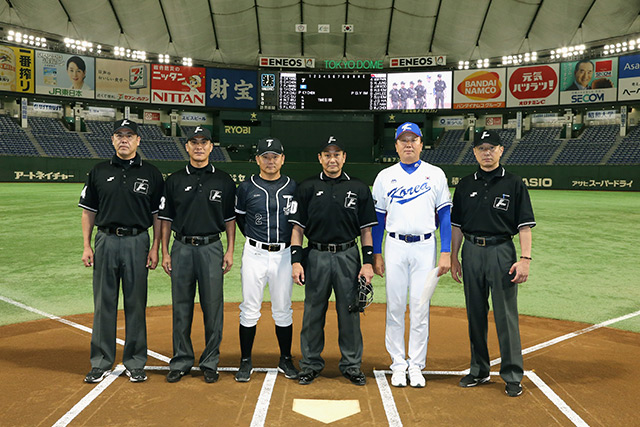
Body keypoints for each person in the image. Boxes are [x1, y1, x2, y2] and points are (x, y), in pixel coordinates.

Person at [450, 129, 536, 398]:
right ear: (474, 152)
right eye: (481, 148)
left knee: (505, 315)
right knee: (475, 313)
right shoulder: (465, 185)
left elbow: (524, 226)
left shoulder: (514, 183)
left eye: (492, 148)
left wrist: (525, 259)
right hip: (472, 251)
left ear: (501, 150)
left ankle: (511, 374)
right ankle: (479, 369)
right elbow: (456, 226)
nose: (486, 153)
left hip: (501, 251)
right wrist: (454, 256)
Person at [79, 119, 164, 384]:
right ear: (113, 140)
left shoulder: (151, 173)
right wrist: (86, 245)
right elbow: (88, 211)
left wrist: (155, 248)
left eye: (129, 135)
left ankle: (135, 361)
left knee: (135, 303)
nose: (124, 139)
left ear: (138, 141)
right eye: (119, 135)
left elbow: (158, 215)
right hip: (105, 240)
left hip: (138, 241)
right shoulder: (98, 171)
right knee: (103, 303)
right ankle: (101, 361)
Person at [290, 136, 377, 386]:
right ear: (320, 158)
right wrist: (296, 260)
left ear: (344, 157)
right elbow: (297, 229)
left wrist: (368, 261)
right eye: (327, 155)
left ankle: (351, 365)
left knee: (349, 311)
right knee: (312, 311)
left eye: (336, 154)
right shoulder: (306, 187)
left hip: (348, 254)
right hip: (315, 254)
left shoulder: (359, 188)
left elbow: (366, 231)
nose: (332, 159)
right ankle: (310, 364)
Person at [372, 122, 452, 388]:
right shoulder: (385, 176)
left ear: (421, 144)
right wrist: (377, 253)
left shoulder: (435, 174)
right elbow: (379, 220)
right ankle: (397, 363)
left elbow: (445, 215)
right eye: (403, 140)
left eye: (413, 139)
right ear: (396, 145)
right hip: (394, 246)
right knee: (395, 306)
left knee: (420, 307)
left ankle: (416, 365)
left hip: (425, 246)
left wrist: (445, 251)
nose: (408, 144)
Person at [159, 126, 236, 384]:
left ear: (211, 147)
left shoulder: (224, 180)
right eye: (194, 142)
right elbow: (166, 219)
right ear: (187, 147)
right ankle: (181, 360)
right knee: (181, 307)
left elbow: (230, 219)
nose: (199, 146)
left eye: (204, 142)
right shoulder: (175, 180)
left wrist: (230, 250)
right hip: (181, 247)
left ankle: (210, 361)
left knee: (213, 307)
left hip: (211, 247)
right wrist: (165, 251)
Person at [233, 137, 299, 382]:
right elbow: (240, 219)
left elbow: (297, 224)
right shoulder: (246, 187)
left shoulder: (293, 186)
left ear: (282, 159)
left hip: (283, 254)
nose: (270, 161)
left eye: (275, 156)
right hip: (255, 253)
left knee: (283, 309)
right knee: (249, 309)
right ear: (257, 159)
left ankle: (286, 359)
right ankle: (245, 361)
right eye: (265, 156)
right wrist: (254, 240)